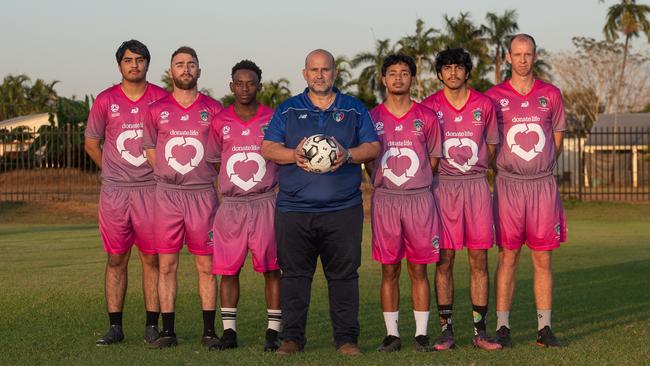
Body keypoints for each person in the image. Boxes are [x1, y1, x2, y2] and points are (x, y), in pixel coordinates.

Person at [261, 49, 380, 356]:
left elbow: (373, 146)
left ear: (334, 73)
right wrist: (293, 156)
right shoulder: (288, 110)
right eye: (314, 70)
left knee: (343, 276)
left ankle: (346, 340)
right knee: (295, 276)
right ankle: (292, 339)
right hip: (294, 209)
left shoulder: (353, 109)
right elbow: (268, 147)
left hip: (343, 210)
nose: (319, 75)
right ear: (305, 74)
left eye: (325, 69)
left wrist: (349, 154)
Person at [485, 34, 567, 348]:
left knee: (543, 259)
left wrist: (538, 167)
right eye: (517, 54)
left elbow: (556, 142)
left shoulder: (551, 94)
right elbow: (490, 144)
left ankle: (544, 329)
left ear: (535, 56)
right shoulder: (494, 97)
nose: (522, 59)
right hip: (508, 185)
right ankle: (503, 327)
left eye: (527, 54)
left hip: (542, 185)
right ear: (508, 57)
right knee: (507, 256)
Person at [85, 39, 168, 346]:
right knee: (116, 259)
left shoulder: (161, 99)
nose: (135, 64)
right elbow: (92, 143)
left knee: (152, 260)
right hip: (116, 193)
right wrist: (112, 170)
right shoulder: (106, 100)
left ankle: (152, 325)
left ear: (148, 63)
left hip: (152, 191)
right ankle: (115, 327)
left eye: (140, 59)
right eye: (128, 60)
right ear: (119, 65)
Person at [142, 46, 223, 349]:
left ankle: (209, 331)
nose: (186, 69)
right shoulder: (156, 110)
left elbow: (219, 154)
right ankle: (168, 331)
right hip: (167, 197)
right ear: (171, 71)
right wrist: (169, 173)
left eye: (191, 64)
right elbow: (151, 150)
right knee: (166, 266)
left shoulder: (213, 109)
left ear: (199, 71)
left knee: (206, 266)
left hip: (202, 196)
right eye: (180, 64)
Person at [421, 48, 502, 351]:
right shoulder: (428, 107)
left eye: (459, 67)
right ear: (439, 73)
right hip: (442, 188)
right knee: (444, 259)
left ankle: (480, 332)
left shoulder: (485, 105)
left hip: (476, 186)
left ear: (468, 72)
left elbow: (491, 147)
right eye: (447, 68)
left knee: (479, 258)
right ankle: (446, 331)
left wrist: (473, 169)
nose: (453, 73)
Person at [366, 54, 442, 353]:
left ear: (412, 78)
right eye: (393, 73)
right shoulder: (372, 118)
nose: (398, 78)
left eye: (405, 73)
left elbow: (433, 160)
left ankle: (421, 334)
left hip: (419, 198)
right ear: (384, 79)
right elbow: (369, 160)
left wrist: (414, 181)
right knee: (389, 269)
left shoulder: (426, 117)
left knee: (419, 269)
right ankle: (392, 335)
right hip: (386, 200)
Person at [205, 60, 282, 352]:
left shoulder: (273, 118)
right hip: (232, 206)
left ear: (259, 86)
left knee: (272, 268)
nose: (245, 88)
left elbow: (281, 156)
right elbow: (215, 160)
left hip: (265, 203)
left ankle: (273, 331)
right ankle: (229, 333)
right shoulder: (220, 121)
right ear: (231, 86)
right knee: (228, 269)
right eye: (239, 83)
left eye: (251, 83)